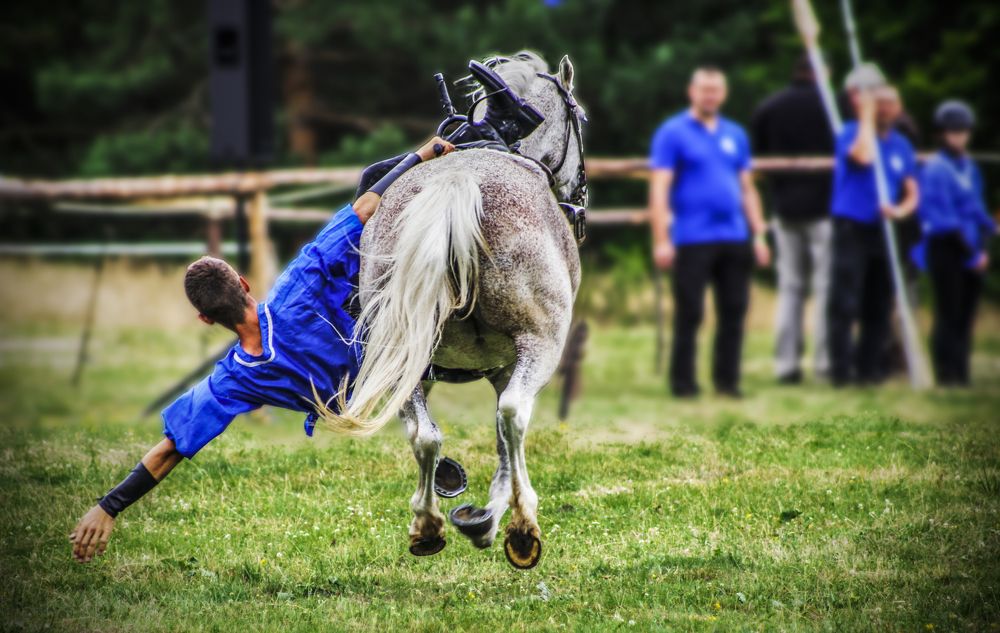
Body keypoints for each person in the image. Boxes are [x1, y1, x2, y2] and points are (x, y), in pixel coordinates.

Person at [68, 136, 457, 564]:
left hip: (362, 387)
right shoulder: (298, 282)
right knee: (370, 180)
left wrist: (107, 507)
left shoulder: (236, 379)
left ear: (206, 319)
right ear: (245, 285)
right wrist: (421, 155)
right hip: (397, 337)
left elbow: (170, 450)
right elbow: (365, 208)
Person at [649, 66, 770, 398]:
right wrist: (661, 239)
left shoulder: (735, 135)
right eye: (705, 90)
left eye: (716, 90)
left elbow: (747, 188)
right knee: (691, 312)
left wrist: (759, 233)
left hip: (734, 235)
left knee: (734, 310)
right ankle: (683, 383)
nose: (710, 96)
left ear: (723, 94)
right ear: (693, 92)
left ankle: (727, 381)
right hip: (691, 236)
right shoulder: (673, 133)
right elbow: (660, 188)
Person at [827, 67, 920, 387]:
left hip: (884, 228)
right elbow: (862, 158)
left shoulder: (902, 145)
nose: (885, 109)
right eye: (879, 103)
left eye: (890, 103)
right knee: (846, 301)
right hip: (853, 226)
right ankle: (841, 370)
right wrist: (865, 117)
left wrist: (899, 210)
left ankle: (870, 369)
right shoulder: (851, 132)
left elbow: (912, 191)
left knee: (878, 303)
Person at [751, 56, 836, 384]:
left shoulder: (770, 108)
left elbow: (758, 163)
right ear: (821, 72)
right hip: (825, 209)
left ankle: (786, 364)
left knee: (790, 288)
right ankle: (825, 363)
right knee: (825, 287)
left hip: (785, 207)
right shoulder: (833, 106)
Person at [913, 100, 995, 386]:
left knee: (966, 315)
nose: (959, 136)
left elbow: (976, 208)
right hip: (947, 247)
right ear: (942, 134)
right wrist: (970, 254)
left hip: (973, 247)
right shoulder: (936, 169)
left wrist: (987, 238)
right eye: (953, 131)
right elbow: (942, 217)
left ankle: (962, 371)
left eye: (963, 131)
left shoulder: (969, 167)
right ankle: (946, 374)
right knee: (949, 311)